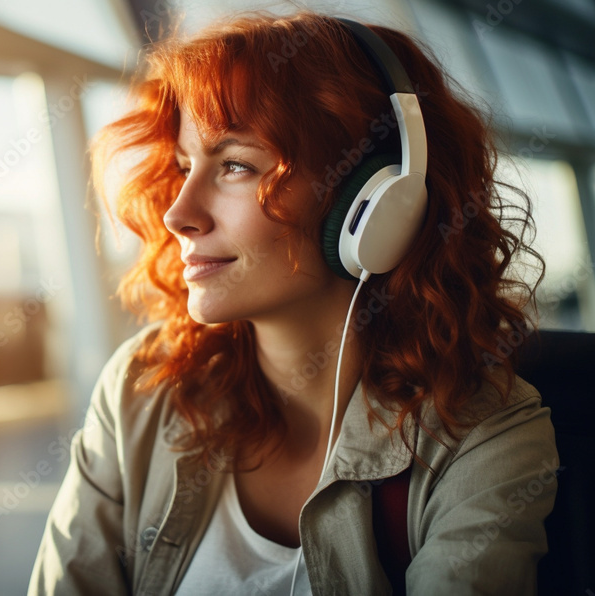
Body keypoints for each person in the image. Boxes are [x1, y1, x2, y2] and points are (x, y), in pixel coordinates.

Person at [28, 10, 557, 596]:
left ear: (379, 201)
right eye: (183, 166)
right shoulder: (142, 389)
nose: (178, 214)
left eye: (235, 165)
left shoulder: (485, 437)